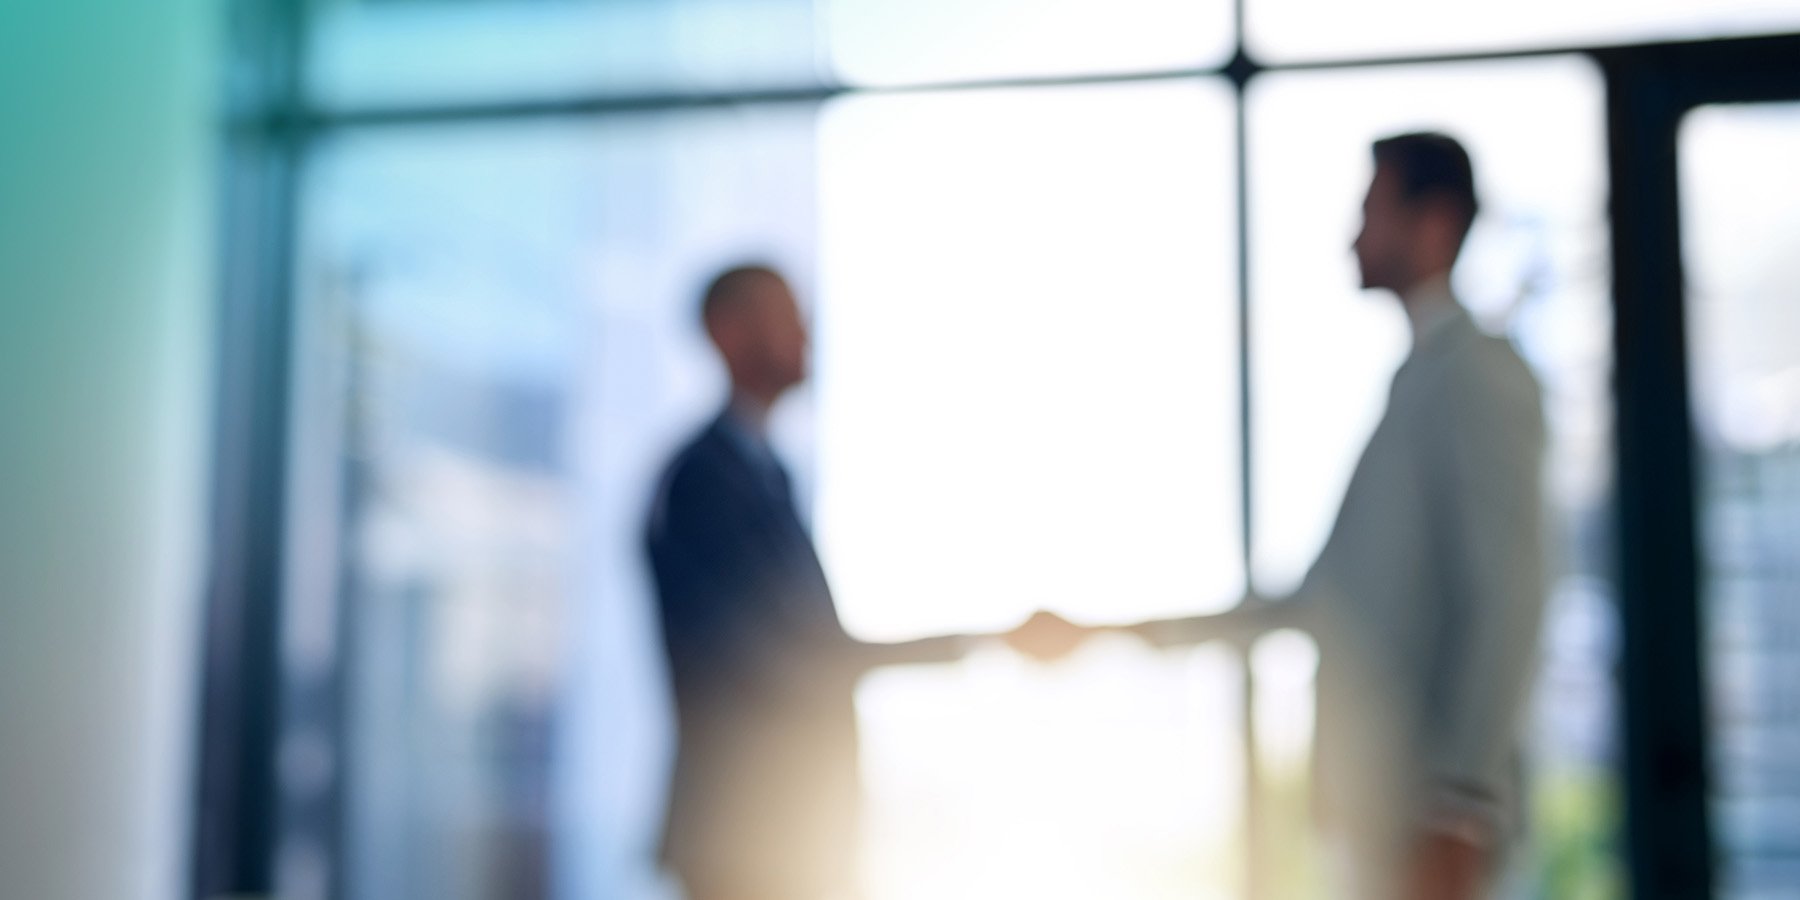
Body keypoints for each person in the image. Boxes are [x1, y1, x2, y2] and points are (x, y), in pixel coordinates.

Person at [1053, 132, 1548, 900]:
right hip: (1386, 824)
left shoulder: (1478, 375)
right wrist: (1109, 635)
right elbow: (1317, 603)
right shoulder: (1416, 384)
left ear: (1434, 223)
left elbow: (1513, 593)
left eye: (1370, 210)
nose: (1354, 235)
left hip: (1434, 838)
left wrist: (1464, 808)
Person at [645, 265, 1067, 900]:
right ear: (728, 333)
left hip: (787, 834)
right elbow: (787, 657)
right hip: (749, 839)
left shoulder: (761, 474)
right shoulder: (704, 484)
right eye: (782, 315)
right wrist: (984, 642)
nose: (804, 331)